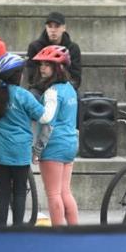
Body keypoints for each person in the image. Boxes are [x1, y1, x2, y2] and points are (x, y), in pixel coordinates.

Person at [0, 53, 54, 226]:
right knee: (20, 192)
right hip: (20, 151)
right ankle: (17, 230)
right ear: (17, 75)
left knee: (3, 193)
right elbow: (44, 118)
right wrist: (51, 101)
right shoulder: (24, 95)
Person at [31, 45, 79, 226]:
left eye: (47, 64)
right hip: (70, 144)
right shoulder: (70, 89)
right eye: (41, 64)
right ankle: (75, 233)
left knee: (53, 194)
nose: (42, 68)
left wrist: (37, 150)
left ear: (58, 67)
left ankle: (57, 236)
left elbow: (47, 121)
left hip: (54, 145)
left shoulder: (52, 92)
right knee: (65, 192)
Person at [24, 11, 82, 91]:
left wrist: (62, 89)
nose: (53, 30)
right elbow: (32, 78)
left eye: (57, 26)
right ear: (46, 28)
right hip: (40, 90)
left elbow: (76, 78)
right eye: (50, 26)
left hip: (65, 90)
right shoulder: (35, 47)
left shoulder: (73, 48)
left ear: (64, 28)